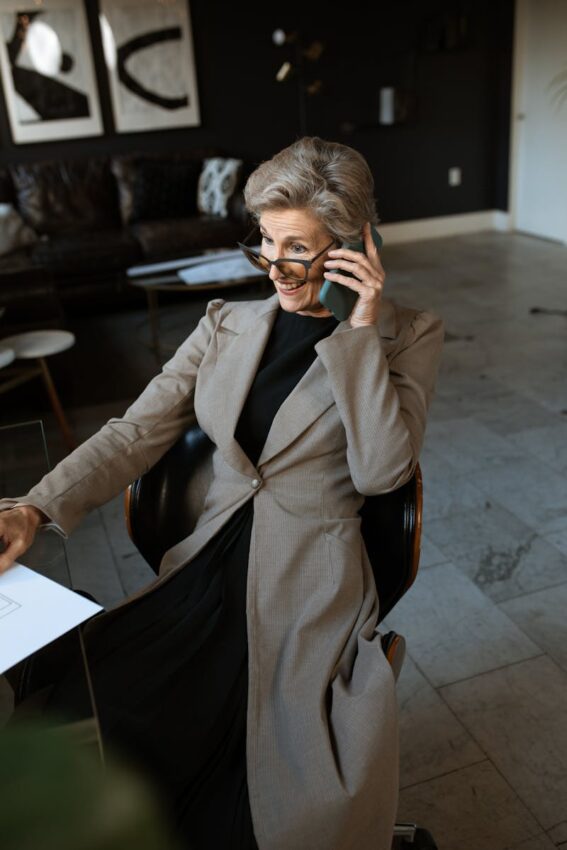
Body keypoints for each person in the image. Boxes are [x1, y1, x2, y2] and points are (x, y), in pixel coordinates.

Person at [0, 136, 444, 850]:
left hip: (309, 584)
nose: (273, 265)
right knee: (99, 719)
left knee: (277, 795)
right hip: (206, 569)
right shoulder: (224, 323)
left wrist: (357, 332)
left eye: (295, 247)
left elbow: (382, 473)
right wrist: (34, 505)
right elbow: (133, 432)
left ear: (351, 244)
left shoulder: (406, 335)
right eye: (264, 240)